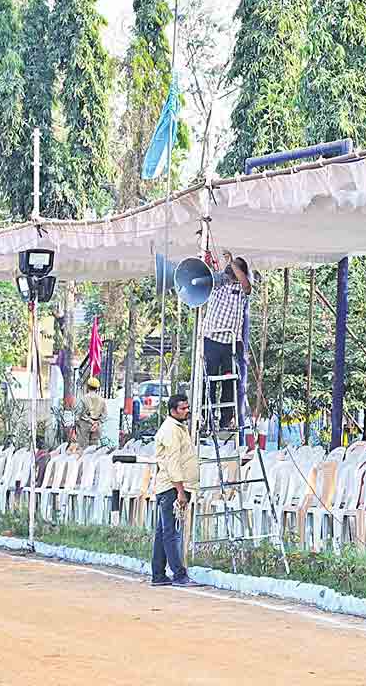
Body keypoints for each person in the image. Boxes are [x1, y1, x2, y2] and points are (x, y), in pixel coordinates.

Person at [151, 393, 200, 587]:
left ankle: (158, 574)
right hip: (172, 487)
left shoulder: (178, 427)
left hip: (172, 486)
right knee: (171, 533)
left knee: (163, 532)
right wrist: (180, 491)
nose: (186, 411)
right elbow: (173, 463)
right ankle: (179, 574)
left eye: (187, 407)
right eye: (183, 408)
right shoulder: (171, 430)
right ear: (173, 411)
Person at [200, 251, 252, 430]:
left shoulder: (242, 289)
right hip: (211, 340)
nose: (230, 269)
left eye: (235, 267)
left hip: (231, 343)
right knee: (208, 381)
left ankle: (225, 420)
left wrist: (232, 261)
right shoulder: (218, 283)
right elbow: (205, 273)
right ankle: (206, 419)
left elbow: (246, 285)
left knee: (229, 382)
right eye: (230, 266)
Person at [75, 377, 106, 451]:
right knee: (93, 449)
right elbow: (104, 415)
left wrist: (90, 422)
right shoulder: (102, 400)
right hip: (96, 426)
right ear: (97, 388)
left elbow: (80, 413)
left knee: (83, 448)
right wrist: (96, 423)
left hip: (84, 425)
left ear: (87, 386)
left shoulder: (83, 399)